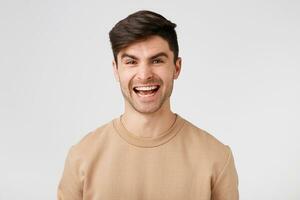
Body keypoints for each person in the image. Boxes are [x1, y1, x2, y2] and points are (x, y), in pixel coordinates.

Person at [57, 10, 239, 200]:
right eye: (131, 62)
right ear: (116, 70)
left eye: (157, 60)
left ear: (176, 68)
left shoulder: (216, 158)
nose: (144, 75)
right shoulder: (81, 158)